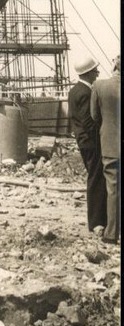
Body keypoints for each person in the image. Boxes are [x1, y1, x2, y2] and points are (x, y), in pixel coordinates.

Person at [67, 56, 107, 237]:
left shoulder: (74, 90)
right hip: (92, 143)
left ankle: (97, 221)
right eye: (95, 71)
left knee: (95, 178)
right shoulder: (86, 93)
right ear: (88, 73)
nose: (97, 73)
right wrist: (102, 134)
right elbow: (88, 121)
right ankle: (97, 222)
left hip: (83, 141)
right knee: (97, 180)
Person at [90, 57, 121, 246]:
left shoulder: (99, 86)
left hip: (110, 144)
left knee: (113, 189)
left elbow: (94, 116)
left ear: (115, 66)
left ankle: (111, 234)